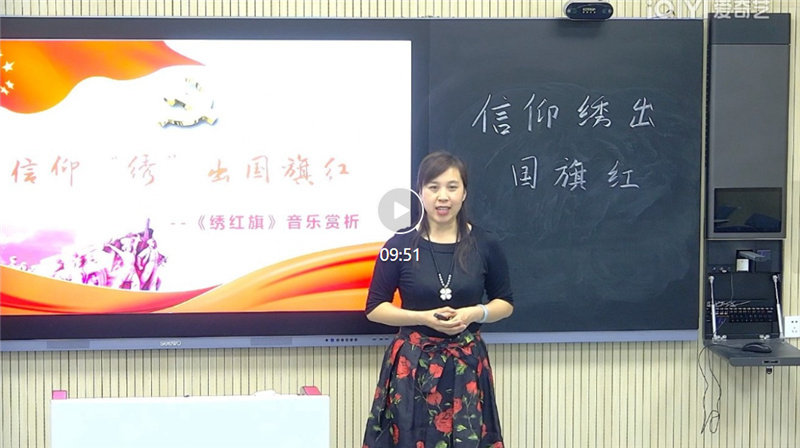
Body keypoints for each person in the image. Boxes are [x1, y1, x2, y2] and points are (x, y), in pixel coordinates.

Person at [362, 151, 514, 448]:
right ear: (420, 192)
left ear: (464, 193)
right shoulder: (399, 245)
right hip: (412, 365)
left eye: (452, 187)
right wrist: (421, 318)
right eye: (433, 187)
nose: (443, 197)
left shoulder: (486, 244)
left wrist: (474, 313)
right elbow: (375, 308)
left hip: (466, 364)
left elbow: (505, 302)